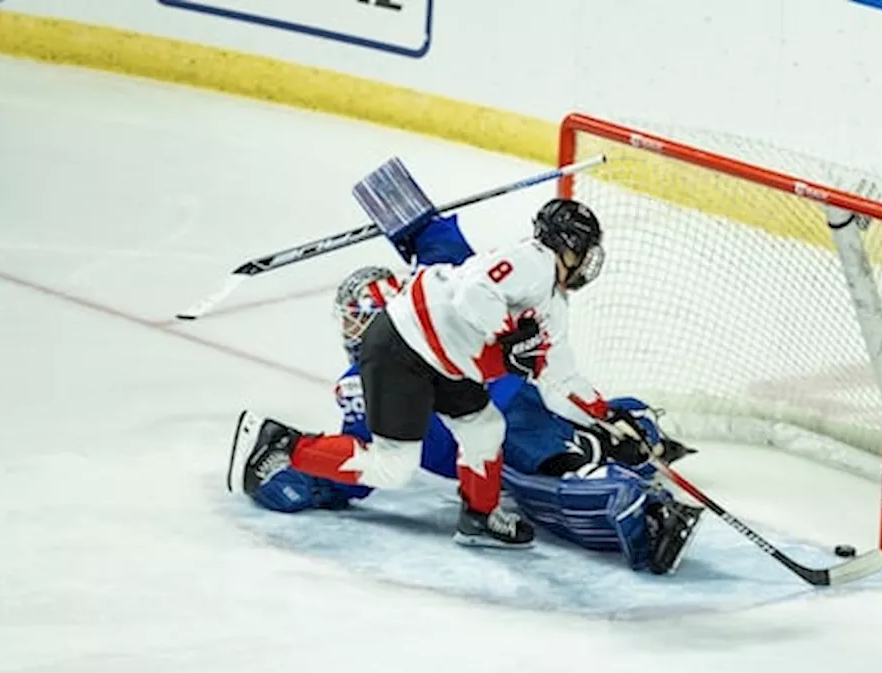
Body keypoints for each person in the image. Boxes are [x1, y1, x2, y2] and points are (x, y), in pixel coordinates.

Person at [228, 171, 702, 572]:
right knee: (400, 466)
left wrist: (601, 415)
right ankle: (286, 448)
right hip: (408, 350)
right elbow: (475, 291)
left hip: (461, 375)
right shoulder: (526, 262)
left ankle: (479, 517)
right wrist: (507, 337)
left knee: (487, 428)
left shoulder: (551, 305)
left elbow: (560, 381)